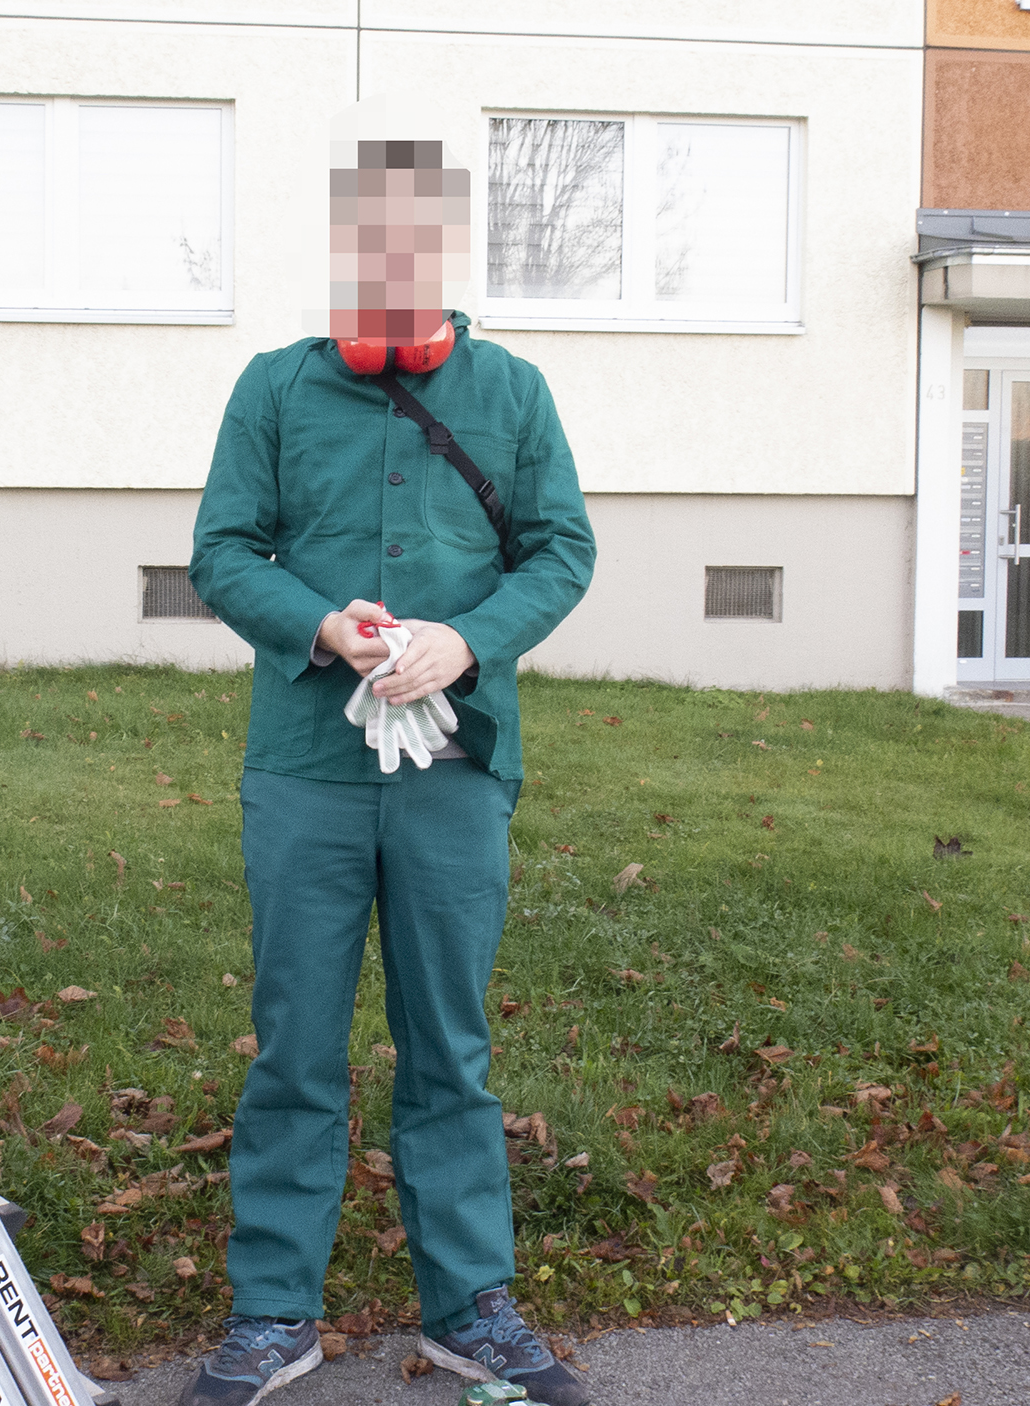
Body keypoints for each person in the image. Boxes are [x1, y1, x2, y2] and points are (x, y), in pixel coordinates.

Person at [177, 133, 597, 1406]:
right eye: (373, 236)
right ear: (347, 247)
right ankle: (272, 1309)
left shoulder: (512, 393)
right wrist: (317, 624)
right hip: (303, 765)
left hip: (455, 769)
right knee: (295, 1044)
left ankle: (470, 1303)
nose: (394, 257)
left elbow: (562, 551)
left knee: (449, 1047)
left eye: (417, 236)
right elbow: (222, 549)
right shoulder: (274, 388)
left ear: (444, 249)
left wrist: (466, 639)